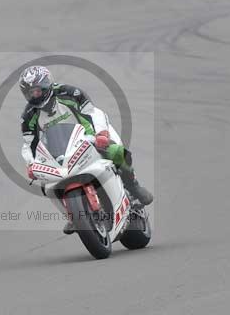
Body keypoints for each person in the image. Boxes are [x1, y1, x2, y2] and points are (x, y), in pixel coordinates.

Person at [19, 66, 154, 233]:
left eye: (38, 90)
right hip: (60, 152)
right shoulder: (28, 116)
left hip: (90, 136)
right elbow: (28, 144)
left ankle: (133, 186)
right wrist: (31, 164)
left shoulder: (69, 93)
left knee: (116, 152)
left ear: (47, 84)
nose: (35, 95)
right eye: (30, 93)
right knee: (45, 182)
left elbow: (94, 113)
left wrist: (101, 133)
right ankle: (72, 216)